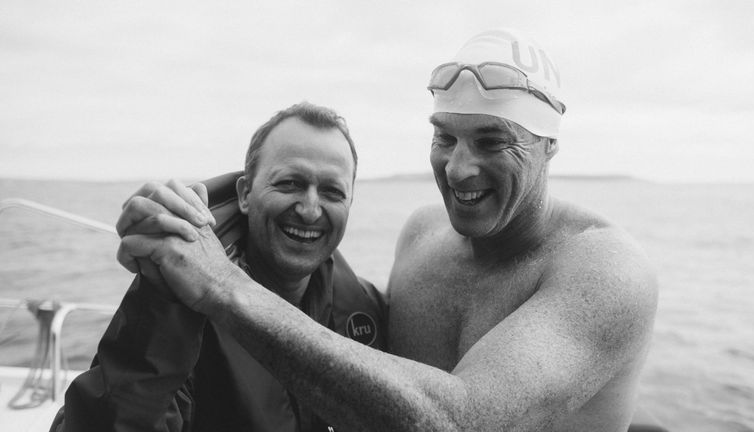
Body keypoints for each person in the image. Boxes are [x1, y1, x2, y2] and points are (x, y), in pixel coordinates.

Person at [114, 28, 659, 431]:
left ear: (550, 146)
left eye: (492, 141)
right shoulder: (423, 236)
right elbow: (349, 356)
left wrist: (220, 284)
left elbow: (458, 419)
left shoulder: (605, 270)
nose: (458, 168)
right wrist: (193, 216)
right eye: (445, 137)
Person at [50, 102, 388, 432]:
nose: (311, 209)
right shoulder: (181, 310)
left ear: (350, 203)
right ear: (245, 194)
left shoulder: (367, 308)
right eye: (290, 183)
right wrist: (159, 300)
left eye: (332, 192)